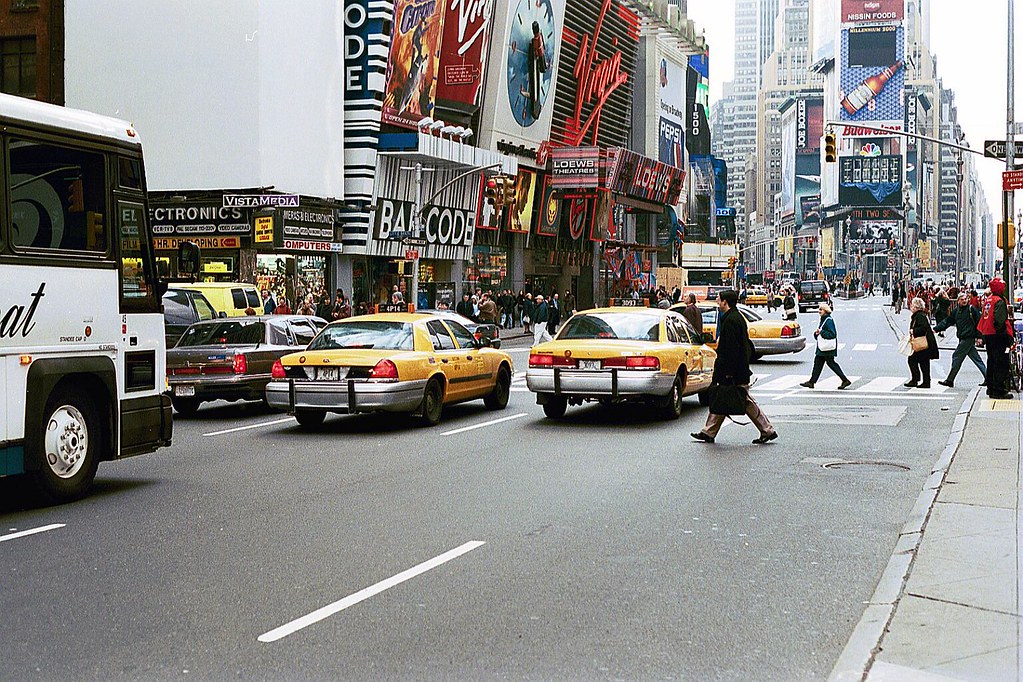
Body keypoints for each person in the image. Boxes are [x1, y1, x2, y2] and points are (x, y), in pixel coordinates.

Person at [691, 290, 778, 445]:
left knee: (742, 400)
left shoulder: (731, 320)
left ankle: (767, 429)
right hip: (736, 369)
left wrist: (728, 372)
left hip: (733, 371)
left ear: (725, 302)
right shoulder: (735, 317)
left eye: (718, 300)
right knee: (723, 399)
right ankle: (708, 432)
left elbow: (731, 349)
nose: (717, 302)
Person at [934, 291, 986, 388]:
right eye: (962, 299)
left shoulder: (972, 310)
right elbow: (948, 321)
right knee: (976, 359)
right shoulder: (956, 311)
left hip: (968, 338)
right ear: (958, 301)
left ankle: (950, 380)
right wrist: (937, 328)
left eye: (965, 299)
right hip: (964, 338)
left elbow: (979, 323)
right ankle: (988, 377)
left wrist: (980, 337)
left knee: (956, 357)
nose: (964, 301)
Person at [799, 303, 852, 389]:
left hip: (827, 348)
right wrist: (816, 334)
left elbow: (832, 334)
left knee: (830, 363)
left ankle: (845, 380)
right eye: (819, 309)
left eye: (821, 310)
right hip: (823, 348)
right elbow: (820, 333)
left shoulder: (828, 320)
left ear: (826, 311)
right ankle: (812, 382)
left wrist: (821, 332)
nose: (819, 311)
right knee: (818, 363)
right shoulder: (823, 319)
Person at [978, 278, 1014, 399]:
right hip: (998, 336)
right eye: (1003, 287)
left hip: (989, 334)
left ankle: (991, 388)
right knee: (1000, 362)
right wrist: (1005, 336)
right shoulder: (999, 301)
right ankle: (999, 389)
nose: (1004, 289)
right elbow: (1000, 320)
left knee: (992, 361)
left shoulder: (989, 300)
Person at [906, 297, 938, 388]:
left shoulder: (919, 316)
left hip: (923, 343)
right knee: (923, 362)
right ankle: (924, 381)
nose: (911, 307)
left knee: (913, 360)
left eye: (912, 305)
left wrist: (913, 331)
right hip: (925, 342)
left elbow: (923, 328)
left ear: (916, 307)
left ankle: (917, 380)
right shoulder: (920, 315)